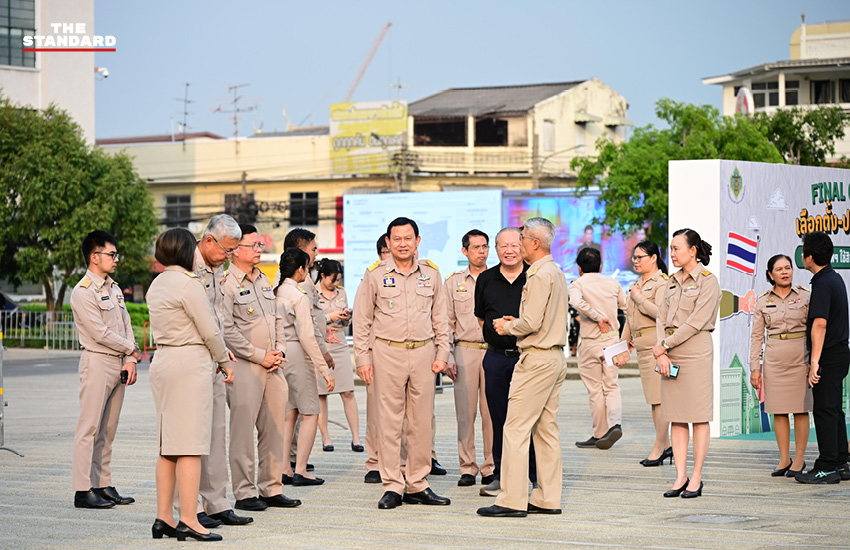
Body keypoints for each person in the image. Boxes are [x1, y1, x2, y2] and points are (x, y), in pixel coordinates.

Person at [353, 217, 451, 510]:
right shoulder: (374, 274)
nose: (403, 244)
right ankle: (393, 485)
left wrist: (442, 354)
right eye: (397, 239)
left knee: (421, 423)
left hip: (423, 353)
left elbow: (441, 318)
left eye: (408, 238)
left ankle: (418, 484)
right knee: (389, 422)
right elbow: (362, 320)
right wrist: (363, 359)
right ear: (388, 242)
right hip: (387, 353)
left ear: (418, 241)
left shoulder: (432, 274)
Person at [477, 217, 569, 518]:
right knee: (546, 430)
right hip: (553, 357)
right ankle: (546, 497)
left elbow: (530, 322)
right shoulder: (555, 271)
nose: (518, 241)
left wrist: (506, 326)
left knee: (515, 429)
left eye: (522, 236)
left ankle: (511, 500)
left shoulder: (540, 275)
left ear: (534, 243)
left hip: (537, 358)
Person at [147, 228, 234, 542]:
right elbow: (210, 330)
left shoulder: (156, 284)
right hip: (189, 363)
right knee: (191, 447)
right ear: (186, 251)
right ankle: (188, 519)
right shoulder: (189, 283)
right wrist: (224, 361)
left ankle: (164, 518)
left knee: (168, 446)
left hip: (163, 362)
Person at [220, 224, 301, 511]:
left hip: (273, 366)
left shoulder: (263, 279)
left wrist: (279, 350)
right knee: (243, 432)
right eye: (253, 246)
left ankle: (271, 488)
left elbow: (277, 318)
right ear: (235, 250)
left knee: (274, 429)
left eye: (259, 245)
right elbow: (226, 330)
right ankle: (244, 493)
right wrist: (258, 355)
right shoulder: (226, 282)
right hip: (244, 367)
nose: (259, 249)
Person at [70, 230, 140, 509]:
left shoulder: (114, 288)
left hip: (119, 362)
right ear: (94, 256)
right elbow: (99, 333)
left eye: (115, 254)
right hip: (97, 361)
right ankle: (82, 489)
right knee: (89, 427)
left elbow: (126, 323)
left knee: (108, 429)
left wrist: (131, 358)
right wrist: (130, 349)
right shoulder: (82, 292)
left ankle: (102, 483)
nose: (116, 259)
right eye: (111, 254)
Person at [190, 214, 252, 528]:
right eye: (227, 251)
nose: (229, 257)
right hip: (193, 361)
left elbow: (218, 319)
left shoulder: (217, 269)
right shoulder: (187, 266)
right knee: (192, 438)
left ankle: (217, 503)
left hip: (215, 361)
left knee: (216, 435)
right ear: (209, 240)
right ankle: (188, 507)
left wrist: (223, 349)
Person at [653, 228, 721, 499]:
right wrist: (661, 351)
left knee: (698, 416)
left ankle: (696, 476)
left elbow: (697, 321)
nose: (672, 254)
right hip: (668, 352)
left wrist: (665, 345)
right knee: (676, 416)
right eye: (670, 249)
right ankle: (680, 475)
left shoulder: (708, 281)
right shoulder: (670, 282)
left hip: (694, 351)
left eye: (677, 248)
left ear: (693, 251)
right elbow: (660, 318)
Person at [473, 226, 537, 497]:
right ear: (496, 249)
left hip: (528, 359)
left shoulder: (534, 276)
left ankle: (533, 476)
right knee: (498, 418)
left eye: (514, 245)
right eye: (503, 246)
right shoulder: (486, 279)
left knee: (530, 421)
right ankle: (501, 475)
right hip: (496, 360)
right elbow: (481, 319)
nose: (509, 250)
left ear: (522, 246)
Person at [276, 248, 335, 486]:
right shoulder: (298, 296)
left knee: (289, 413)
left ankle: (284, 469)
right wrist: (325, 370)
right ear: (301, 270)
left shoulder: (277, 291)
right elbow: (308, 336)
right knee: (311, 412)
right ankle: (301, 469)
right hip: (298, 354)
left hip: (282, 354)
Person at [749, 254, 811, 477]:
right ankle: (784, 458)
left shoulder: (805, 296)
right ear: (770, 274)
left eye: (788, 268)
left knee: (801, 409)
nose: (785, 272)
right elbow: (756, 337)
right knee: (778, 410)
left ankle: (800, 458)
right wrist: (755, 367)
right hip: (774, 359)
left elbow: (816, 329)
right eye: (779, 269)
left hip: (800, 356)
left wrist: (814, 362)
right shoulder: (763, 301)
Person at [796, 231, 850, 484]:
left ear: (809, 257)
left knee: (825, 410)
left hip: (829, 354)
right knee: (834, 410)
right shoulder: (834, 278)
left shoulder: (822, 282)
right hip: (839, 352)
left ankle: (827, 466)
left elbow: (820, 324)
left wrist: (814, 362)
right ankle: (841, 461)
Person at [445, 229, 495, 487]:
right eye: (476, 247)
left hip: (494, 350)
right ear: (465, 251)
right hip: (464, 350)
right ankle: (467, 467)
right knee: (466, 413)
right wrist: (447, 357)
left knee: (492, 413)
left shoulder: (498, 278)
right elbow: (446, 323)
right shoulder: (453, 282)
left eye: (485, 246)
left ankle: (490, 466)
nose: (481, 251)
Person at [570, 247, 627, 450]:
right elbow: (627, 307)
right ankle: (615, 425)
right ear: (601, 266)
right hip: (612, 340)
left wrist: (596, 316)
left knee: (595, 390)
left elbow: (576, 302)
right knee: (611, 385)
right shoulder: (613, 283)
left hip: (589, 342)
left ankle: (600, 432)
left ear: (579, 268)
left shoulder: (577, 284)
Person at [620, 241, 671, 465]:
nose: (636, 261)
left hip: (655, 344)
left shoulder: (662, 283)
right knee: (654, 399)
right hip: (641, 344)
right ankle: (666, 445)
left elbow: (662, 313)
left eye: (641, 257)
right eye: (634, 257)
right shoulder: (637, 283)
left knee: (658, 400)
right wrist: (623, 345)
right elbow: (630, 319)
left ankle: (660, 447)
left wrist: (639, 298)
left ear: (653, 258)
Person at [314, 259, 362, 453]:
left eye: (338, 280)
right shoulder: (312, 292)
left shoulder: (341, 292)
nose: (335, 284)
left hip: (339, 342)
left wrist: (345, 317)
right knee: (321, 394)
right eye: (332, 280)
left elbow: (344, 323)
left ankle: (356, 438)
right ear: (323, 275)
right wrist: (328, 318)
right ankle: (326, 438)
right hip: (320, 344)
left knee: (348, 391)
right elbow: (310, 319)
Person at [363, 234, 390, 483]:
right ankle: (374, 461)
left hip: (412, 353)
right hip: (377, 352)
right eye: (384, 251)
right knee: (376, 412)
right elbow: (362, 319)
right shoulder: (372, 275)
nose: (389, 255)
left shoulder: (425, 273)